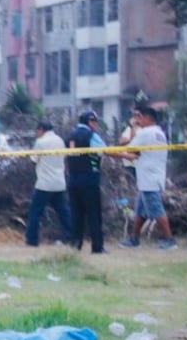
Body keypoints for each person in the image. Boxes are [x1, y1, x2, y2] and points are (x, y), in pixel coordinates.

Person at [118, 105, 178, 250]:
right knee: (140, 211)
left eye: (139, 116)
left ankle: (170, 240)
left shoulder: (146, 133)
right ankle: (134, 239)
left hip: (149, 179)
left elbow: (129, 148)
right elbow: (136, 154)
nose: (137, 120)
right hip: (150, 177)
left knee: (156, 210)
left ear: (147, 118)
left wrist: (112, 152)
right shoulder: (159, 133)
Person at [25, 120, 73, 247]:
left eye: (37, 130)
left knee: (35, 212)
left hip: (44, 183)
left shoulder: (40, 142)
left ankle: (32, 240)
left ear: (41, 129)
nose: (36, 133)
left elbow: (33, 160)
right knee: (63, 212)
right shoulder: (60, 140)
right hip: (59, 182)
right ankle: (72, 236)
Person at [66, 109, 107, 254]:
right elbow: (106, 151)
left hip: (73, 180)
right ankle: (97, 247)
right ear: (89, 122)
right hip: (89, 179)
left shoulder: (70, 135)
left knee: (76, 215)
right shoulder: (91, 135)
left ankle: (75, 245)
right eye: (95, 121)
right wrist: (127, 156)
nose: (96, 125)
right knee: (93, 214)